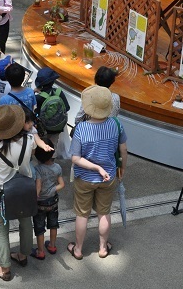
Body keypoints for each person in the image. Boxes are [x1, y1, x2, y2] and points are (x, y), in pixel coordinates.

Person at [67, 85, 127, 260]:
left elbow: (75, 158)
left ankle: (78, 249)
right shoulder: (116, 125)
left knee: (82, 214)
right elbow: (123, 150)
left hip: (85, 178)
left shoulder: (81, 128)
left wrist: (94, 167)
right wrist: (122, 168)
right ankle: (102, 248)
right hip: (108, 176)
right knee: (104, 213)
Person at [0, 105, 36, 281]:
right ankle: (23, 255)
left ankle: (5, 268)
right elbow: (32, 156)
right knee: (26, 222)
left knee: (2, 229)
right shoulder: (30, 140)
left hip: (1, 190)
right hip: (25, 188)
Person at [31, 139, 64, 261]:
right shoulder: (57, 167)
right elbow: (62, 184)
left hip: (41, 204)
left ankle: (40, 252)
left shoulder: (37, 169)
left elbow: (38, 187)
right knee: (53, 224)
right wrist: (52, 189)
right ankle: (52, 246)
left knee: (39, 228)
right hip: (53, 201)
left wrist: (34, 198)